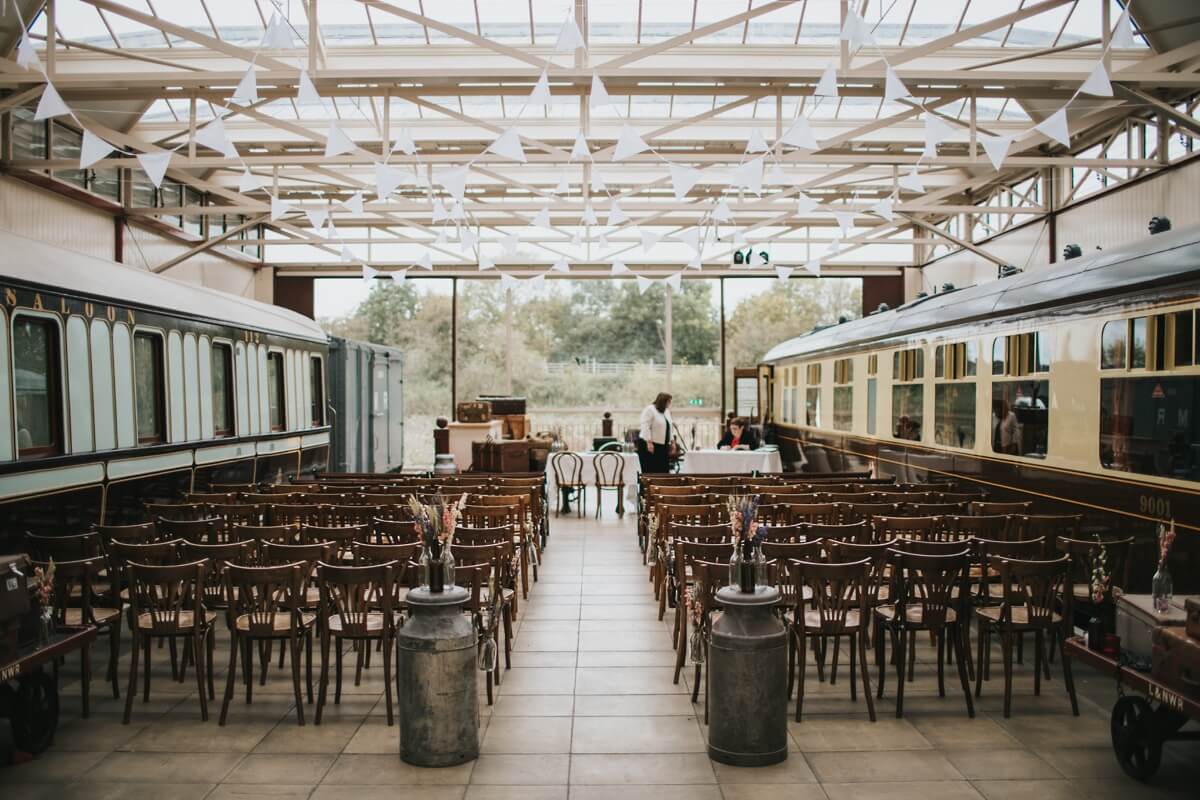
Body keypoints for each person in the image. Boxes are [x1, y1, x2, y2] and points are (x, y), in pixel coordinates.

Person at [638, 392, 674, 474]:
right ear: (662, 401)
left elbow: (669, 427)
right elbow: (645, 426)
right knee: (651, 469)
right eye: (668, 402)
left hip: (663, 446)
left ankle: (662, 487)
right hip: (650, 445)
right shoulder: (650, 410)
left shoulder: (666, 411)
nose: (669, 404)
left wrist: (672, 442)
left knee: (663, 470)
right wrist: (649, 442)